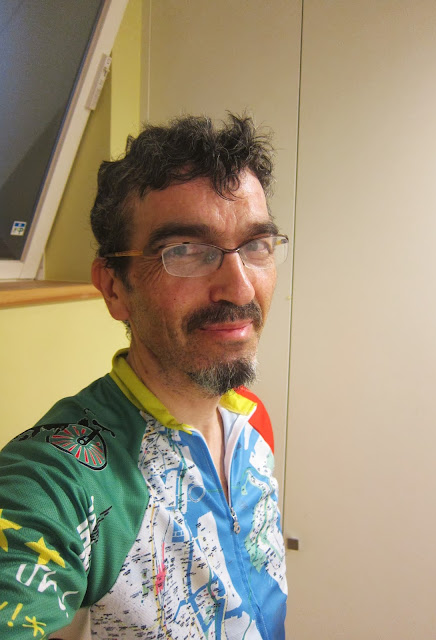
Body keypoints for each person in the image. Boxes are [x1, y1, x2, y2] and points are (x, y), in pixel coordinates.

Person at [0, 114, 288, 639]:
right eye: (185, 251)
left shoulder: (252, 425)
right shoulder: (58, 480)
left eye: (255, 245)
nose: (240, 288)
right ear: (114, 288)